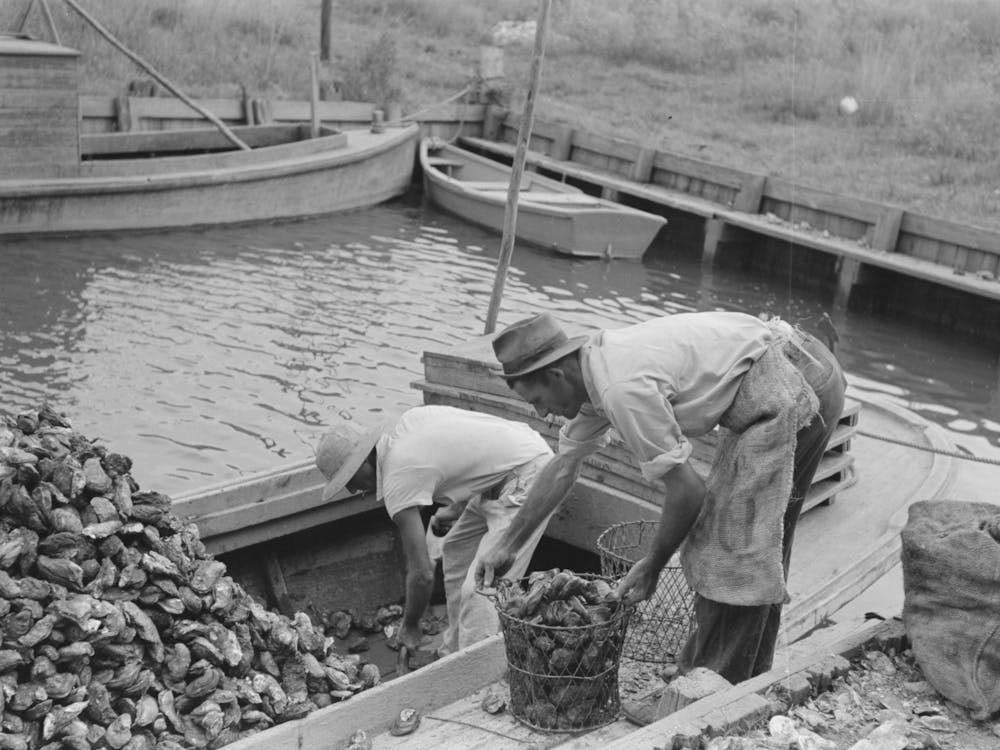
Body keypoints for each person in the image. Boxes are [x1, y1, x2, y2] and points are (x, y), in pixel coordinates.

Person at [475, 310, 846, 683]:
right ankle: (731, 674)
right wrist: (508, 544)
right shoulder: (589, 372)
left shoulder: (621, 391)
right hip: (773, 374)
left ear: (557, 374)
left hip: (795, 383)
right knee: (747, 545)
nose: (541, 412)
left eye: (538, 399)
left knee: (738, 549)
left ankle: (712, 685)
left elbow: (688, 492)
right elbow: (562, 467)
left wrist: (651, 565)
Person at [315, 404, 553, 657]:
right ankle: (455, 649)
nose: (353, 491)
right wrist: (456, 507)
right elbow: (470, 451)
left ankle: (476, 672)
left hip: (531, 476)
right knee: (455, 549)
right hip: (509, 465)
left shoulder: (397, 477)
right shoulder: (408, 422)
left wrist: (410, 625)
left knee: (481, 588)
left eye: (349, 480)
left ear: (364, 461)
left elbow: (422, 574)